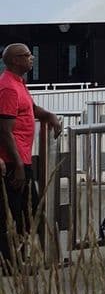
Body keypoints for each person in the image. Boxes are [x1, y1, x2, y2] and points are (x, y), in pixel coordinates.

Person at [0, 43, 62, 264]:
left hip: (21, 158)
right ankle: (12, 264)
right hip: (12, 162)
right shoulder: (7, 87)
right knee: (13, 215)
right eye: (27, 55)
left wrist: (49, 115)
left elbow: (31, 109)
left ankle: (20, 258)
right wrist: (17, 166)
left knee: (30, 213)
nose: (32, 58)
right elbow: (5, 132)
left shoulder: (19, 84)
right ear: (15, 60)